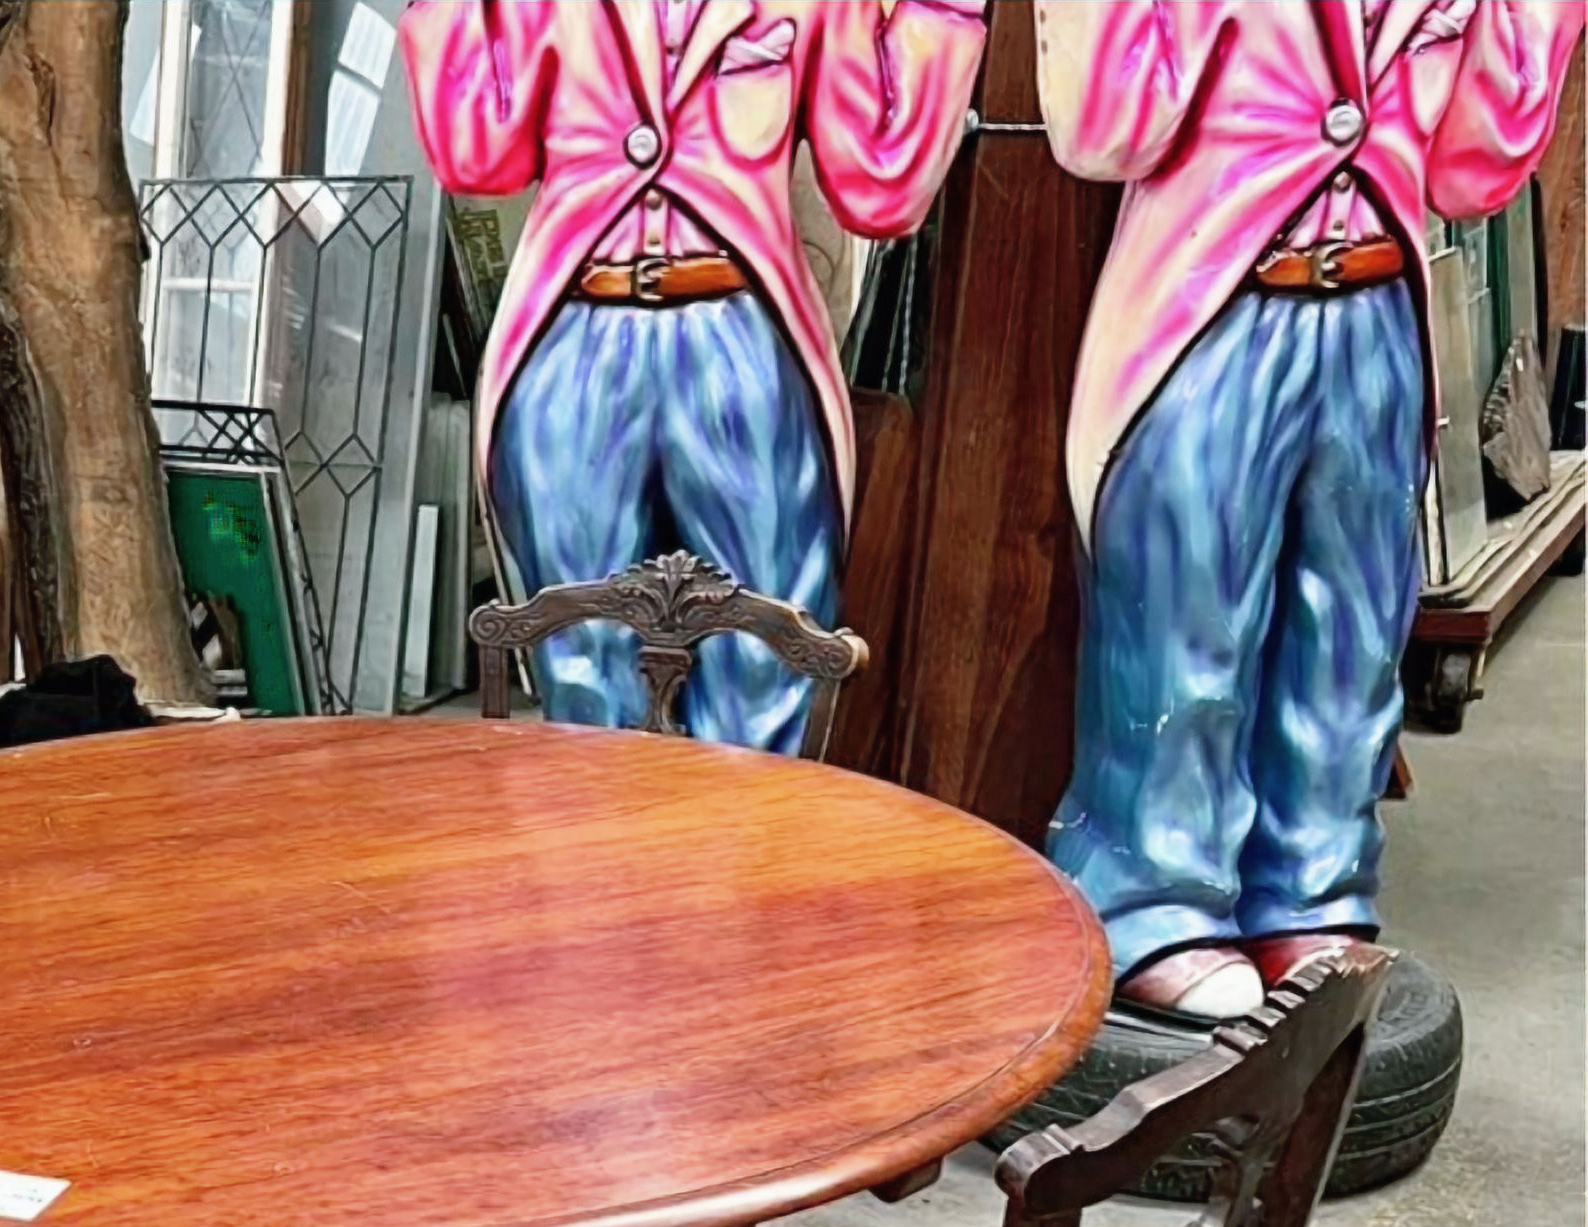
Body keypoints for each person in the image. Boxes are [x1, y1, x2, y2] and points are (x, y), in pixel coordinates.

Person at [1041, 0, 1583, 1021]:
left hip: (1378, 306)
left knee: (1351, 634)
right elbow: (1103, 128)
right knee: (1182, 614)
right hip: (1213, 304)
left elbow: (1471, 167)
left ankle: (1315, 881)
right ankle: (1151, 889)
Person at [401, 0, 986, 750]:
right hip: (576, 345)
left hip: (740, 350)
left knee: (772, 654)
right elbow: (476, 155)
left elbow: (881, 185)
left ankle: (750, 861)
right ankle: (591, 859)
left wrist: (943, 12)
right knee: (581, 661)